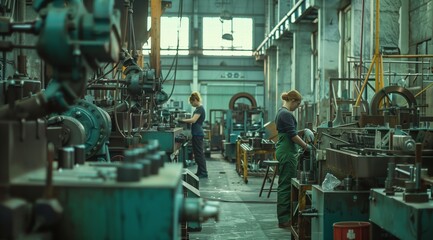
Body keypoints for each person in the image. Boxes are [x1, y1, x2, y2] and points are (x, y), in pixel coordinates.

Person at [274, 89, 311, 228]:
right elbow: (293, 136)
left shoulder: (281, 112)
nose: (298, 107)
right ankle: (284, 219)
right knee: (285, 185)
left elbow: (290, 132)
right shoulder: (286, 114)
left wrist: (303, 131)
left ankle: (285, 217)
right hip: (288, 152)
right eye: (298, 104)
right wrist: (307, 147)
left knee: (285, 184)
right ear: (292, 101)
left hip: (285, 149)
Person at [180, 91, 208, 178]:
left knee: (199, 154)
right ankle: (200, 172)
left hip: (198, 134)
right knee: (197, 154)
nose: (192, 104)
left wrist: (182, 120)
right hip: (196, 133)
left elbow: (193, 120)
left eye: (192, 102)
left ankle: (203, 173)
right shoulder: (198, 109)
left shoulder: (200, 108)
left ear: (195, 100)